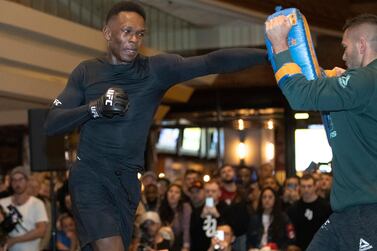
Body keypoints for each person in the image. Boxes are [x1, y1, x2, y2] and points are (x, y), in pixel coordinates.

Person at [44, 1, 266, 250]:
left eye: (140, 34)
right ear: (107, 33)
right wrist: (94, 108)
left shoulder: (155, 70)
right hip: (90, 175)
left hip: (127, 181)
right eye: (127, 31)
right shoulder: (86, 72)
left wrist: (270, 54)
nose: (134, 40)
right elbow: (52, 123)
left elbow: (212, 62)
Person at [265, 13, 377, 250]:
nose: (344, 55)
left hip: (367, 212)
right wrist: (335, 80)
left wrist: (280, 45)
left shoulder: (366, 80)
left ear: (362, 45)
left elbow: (299, 96)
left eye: (345, 47)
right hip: (348, 214)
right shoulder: (364, 84)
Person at [0, 167, 48, 251]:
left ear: (27, 181)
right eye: (14, 180)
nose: (17, 183)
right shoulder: (2, 203)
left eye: (20, 179)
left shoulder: (37, 203)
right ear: (10, 183)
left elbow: (41, 230)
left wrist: (14, 240)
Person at [287, 174, 331, 250]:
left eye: (309, 186)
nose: (306, 189)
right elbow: (290, 230)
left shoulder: (326, 207)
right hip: (299, 248)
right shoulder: (293, 208)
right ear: (299, 188)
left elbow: (330, 231)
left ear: (315, 187)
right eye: (303, 186)